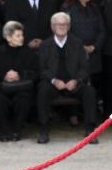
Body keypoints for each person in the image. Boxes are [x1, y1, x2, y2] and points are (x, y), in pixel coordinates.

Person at [35, 10, 98, 144]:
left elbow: (84, 67)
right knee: (43, 91)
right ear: (52, 27)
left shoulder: (77, 43)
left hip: (73, 82)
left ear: (69, 27)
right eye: (59, 25)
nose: (62, 27)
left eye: (65, 24)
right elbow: (41, 69)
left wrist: (76, 80)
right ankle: (44, 130)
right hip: (53, 83)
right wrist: (54, 80)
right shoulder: (45, 45)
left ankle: (90, 130)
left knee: (89, 92)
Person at [0, 21, 38, 140]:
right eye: (18, 36)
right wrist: (4, 76)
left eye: (22, 35)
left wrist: (20, 75)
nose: (22, 38)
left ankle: (17, 130)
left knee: (23, 98)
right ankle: (3, 131)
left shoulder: (28, 52)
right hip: (0, 86)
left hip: (21, 87)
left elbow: (36, 72)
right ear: (8, 37)